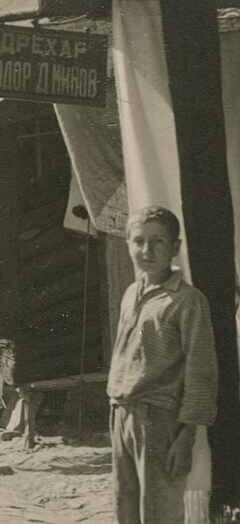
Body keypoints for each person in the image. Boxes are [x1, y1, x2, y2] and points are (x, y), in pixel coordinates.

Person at [108, 206, 217, 524]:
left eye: (157, 242)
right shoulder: (131, 294)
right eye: (138, 241)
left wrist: (187, 435)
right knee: (124, 505)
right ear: (127, 244)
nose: (146, 250)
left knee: (159, 511)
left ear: (175, 247)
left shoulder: (187, 301)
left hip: (160, 421)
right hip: (122, 413)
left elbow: (201, 370)